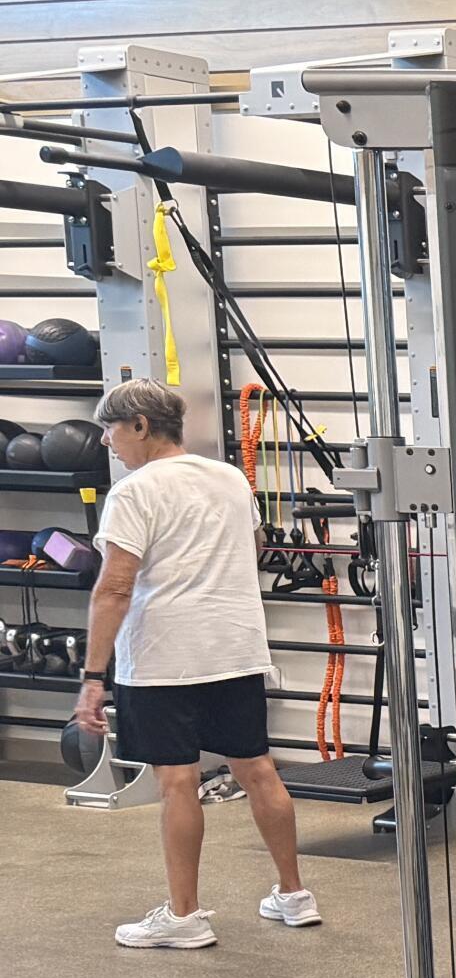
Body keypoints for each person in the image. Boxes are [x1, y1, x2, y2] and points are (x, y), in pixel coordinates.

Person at [74, 380, 318, 949]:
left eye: (110, 430)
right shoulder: (230, 477)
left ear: (139, 425)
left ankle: (184, 917)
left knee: (178, 782)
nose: (108, 443)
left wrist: (92, 678)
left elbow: (113, 589)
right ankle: (293, 893)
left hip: (164, 657)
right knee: (256, 768)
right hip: (233, 647)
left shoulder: (134, 492)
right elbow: (253, 546)